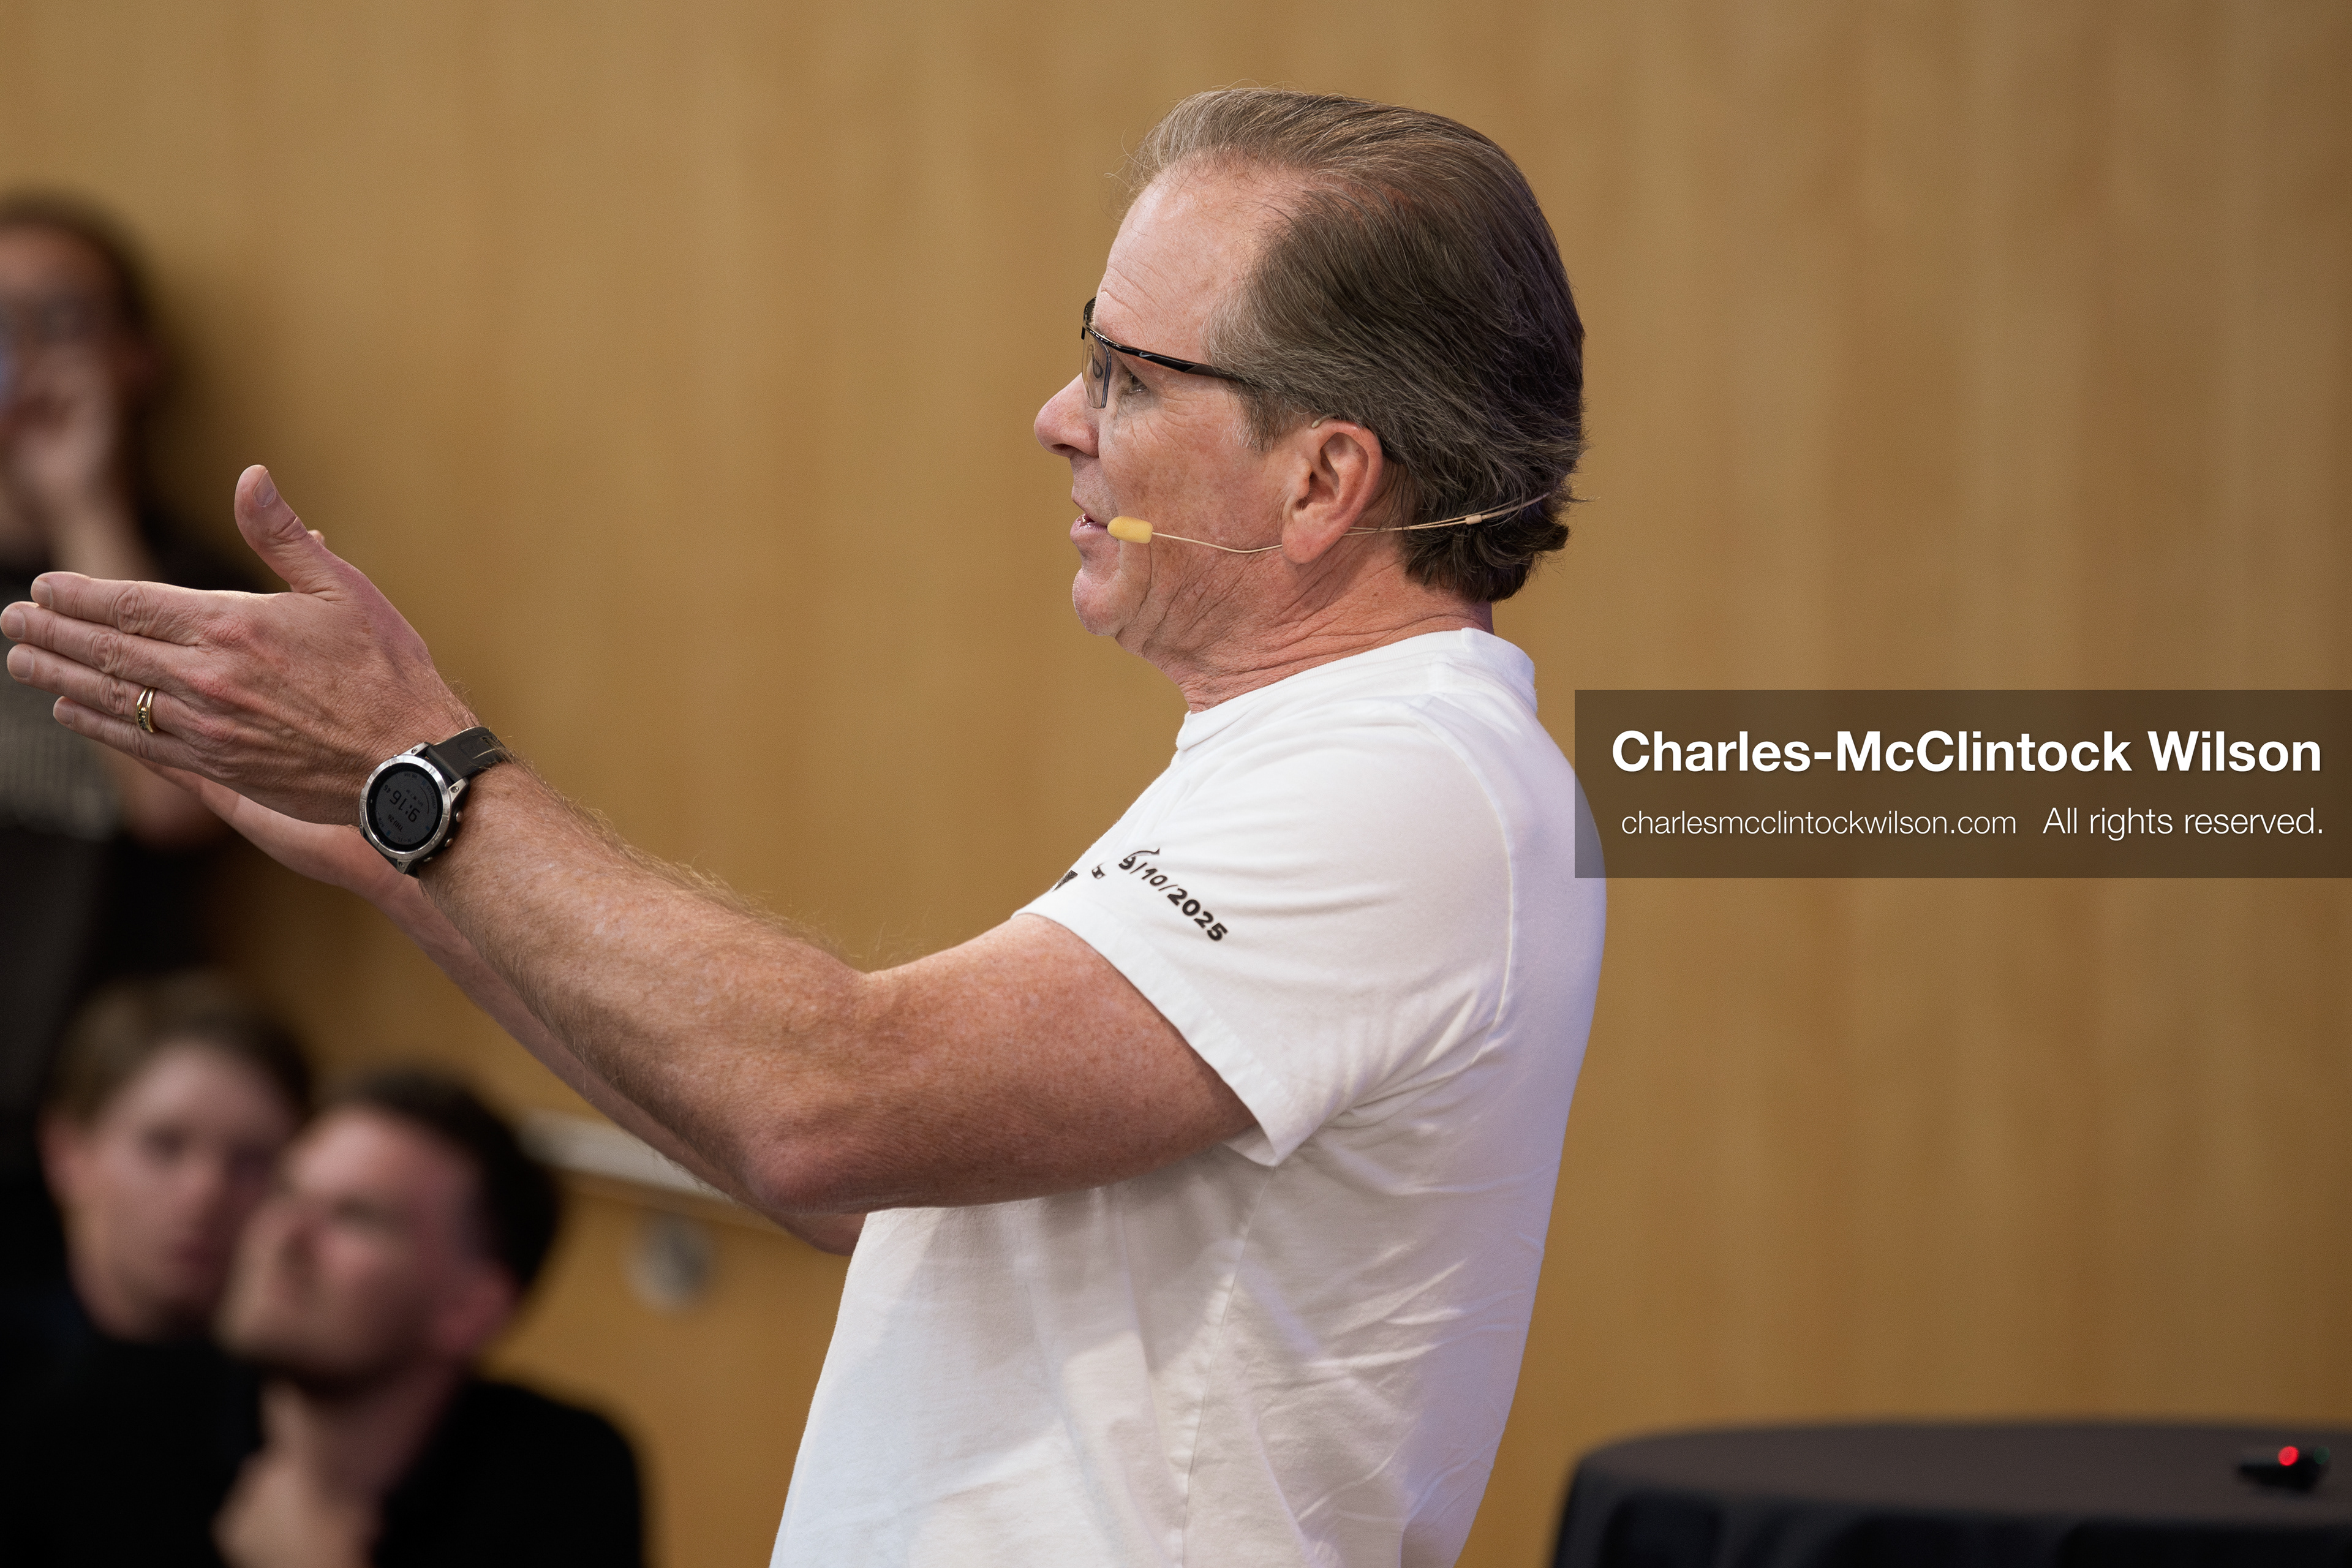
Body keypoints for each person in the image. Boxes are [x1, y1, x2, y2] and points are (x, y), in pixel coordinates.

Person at [3, 88, 1607, 1567]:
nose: (1061, 414)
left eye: (1130, 372)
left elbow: (829, 1104)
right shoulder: (1308, 761)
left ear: (1326, 478)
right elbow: (882, 1186)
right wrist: (405, 850)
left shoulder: (1402, 783)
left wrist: (424, 770)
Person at [0, 194, 235, 1283]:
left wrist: (83, 509)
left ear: (139, 359)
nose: (28, 359)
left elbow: (176, 805)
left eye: (61, 321)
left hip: (80, 1135)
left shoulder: (199, 590)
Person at [209, 1068, 643, 1568]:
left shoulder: (564, 1475)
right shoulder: (140, 1419)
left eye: (354, 1216)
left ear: (467, 1310)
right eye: (286, 1190)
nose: (283, 1237)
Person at [0, 971, 309, 1567]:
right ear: (68, 1150)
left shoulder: (306, 1411)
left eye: (253, 1160)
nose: (205, 1194)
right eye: (164, 1145)